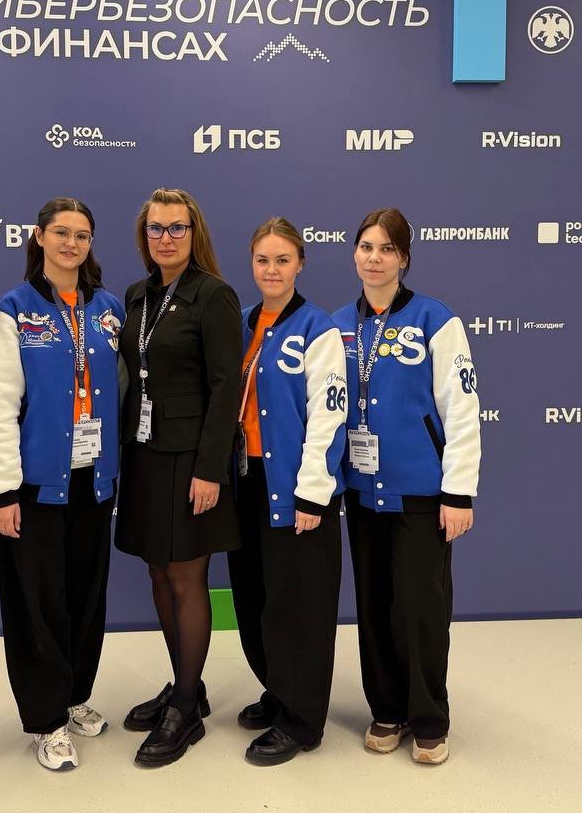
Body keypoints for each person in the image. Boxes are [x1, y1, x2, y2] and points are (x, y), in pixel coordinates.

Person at [331, 207, 481, 766]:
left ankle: (429, 719)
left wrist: (458, 492)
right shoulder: (338, 325)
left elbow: (461, 409)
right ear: (354, 253)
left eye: (387, 249)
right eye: (366, 247)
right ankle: (387, 709)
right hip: (361, 492)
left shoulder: (434, 319)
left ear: (404, 258)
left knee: (421, 608)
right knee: (374, 606)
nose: (375, 258)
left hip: (421, 492)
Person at [0, 198, 124, 771]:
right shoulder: (13, 310)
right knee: (37, 604)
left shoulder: (108, 309)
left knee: (86, 595)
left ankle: (74, 695)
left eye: (82, 235)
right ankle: (45, 719)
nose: (71, 243)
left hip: (94, 480)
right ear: (39, 237)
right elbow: (0, 405)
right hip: (35, 484)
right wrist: (1, 491)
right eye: (61, 232)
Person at [116, 187, 243, 767]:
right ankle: (186, 684)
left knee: (188, 577)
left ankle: (186, 709)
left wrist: (210, 469)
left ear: (195, 234)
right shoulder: (137, 295)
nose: (165, 238)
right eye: (156, 228)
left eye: (177, 228)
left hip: (192, 460)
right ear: (144, 236)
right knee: (158, 573)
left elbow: (226, 387)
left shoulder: (213, 295)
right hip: (144, 454)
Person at [227, 217, 347, 766]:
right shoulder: (244, 323)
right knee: (256, 598)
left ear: (301, 263)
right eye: (262, 260)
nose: (271, 270)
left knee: (300, 606)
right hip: (247, 482)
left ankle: (302, 720)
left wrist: (313, 494)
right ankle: (278, 690)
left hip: (297, 489)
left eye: (282, 260)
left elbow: (328, 416)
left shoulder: (318, 329)